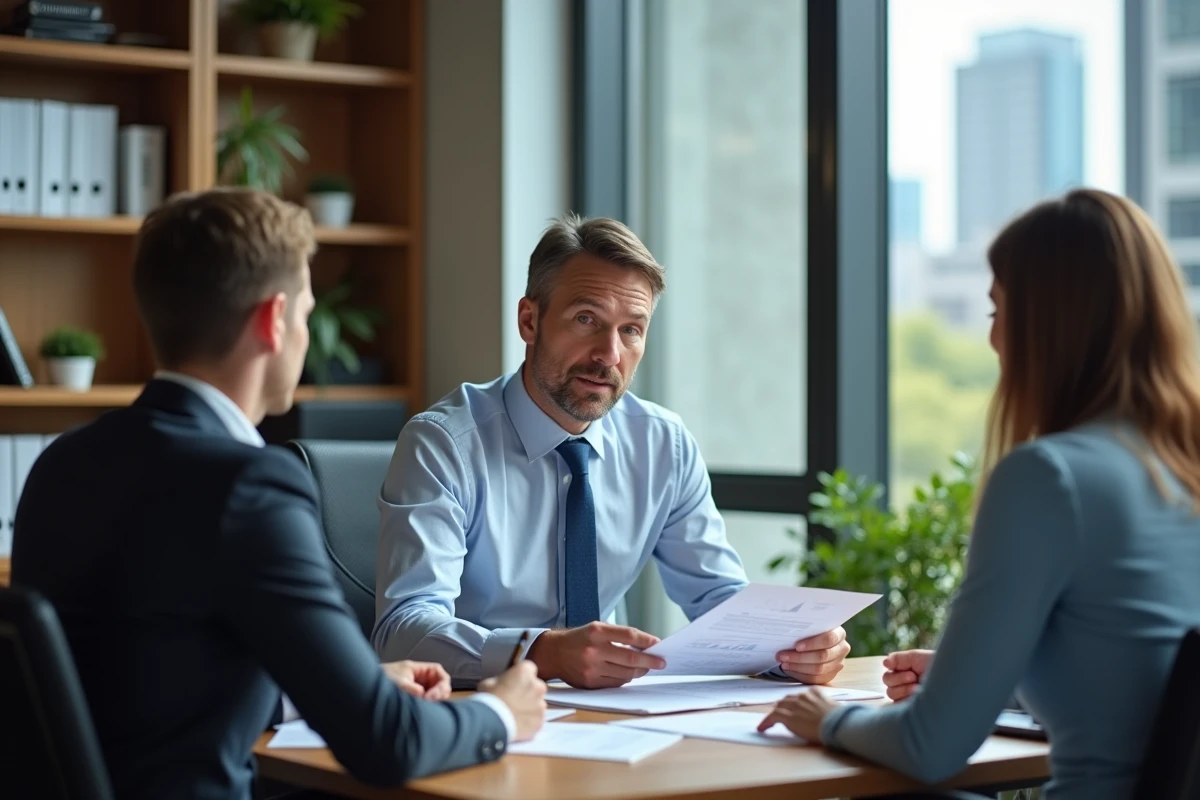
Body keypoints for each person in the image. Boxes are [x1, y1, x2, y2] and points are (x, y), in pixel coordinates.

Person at [11, 189, 546, 800]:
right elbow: (385, 741)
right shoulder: (249, 486)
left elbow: (144, 680)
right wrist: (502, 712)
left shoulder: (62, 462)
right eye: (307, 314)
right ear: (273, 320)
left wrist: (359, 683)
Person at [756, 189, 1200, 799]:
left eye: (997, 311)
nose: (993, 339)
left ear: (1047, 326)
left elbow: (930, 747)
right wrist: (978, 681)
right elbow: (1138, 674)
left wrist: (827, 718)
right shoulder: (1180, 466)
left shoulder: (1050, 478)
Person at [373, 213, 849, 688]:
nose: (609, 355)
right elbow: (402, 631)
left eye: (631, 330)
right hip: (478, 709)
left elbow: (718, 599)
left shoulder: (662, 445)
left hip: (609, 716)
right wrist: (542, 653)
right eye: (587, 320)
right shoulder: (444, 444)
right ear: (529, 321)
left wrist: (790, 650)